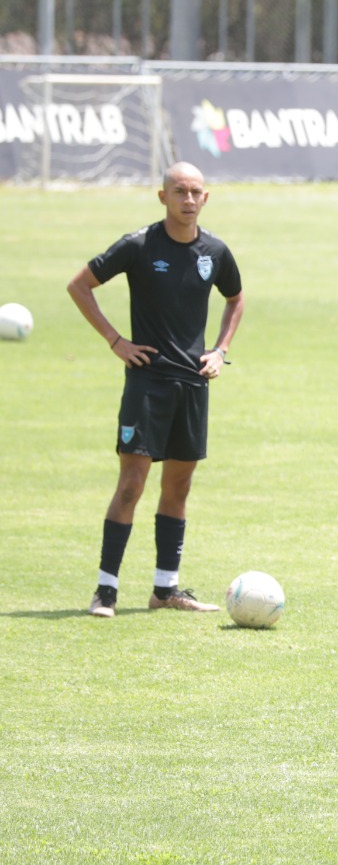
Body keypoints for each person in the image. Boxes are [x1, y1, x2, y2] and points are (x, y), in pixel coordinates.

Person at [66, 162, 244, 618]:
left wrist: (220, 351)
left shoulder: (216, 252)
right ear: (162, 197)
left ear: (206, 199)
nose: (188, 199)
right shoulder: (139, 245)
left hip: (193, 383)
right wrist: (115, 340)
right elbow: (80, 285)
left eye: (195, 192)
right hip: (147, 382)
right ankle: (106, 590)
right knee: (131, 485)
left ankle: (166, 589)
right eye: (179, 191)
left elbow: (235, 298)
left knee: (178, 488)